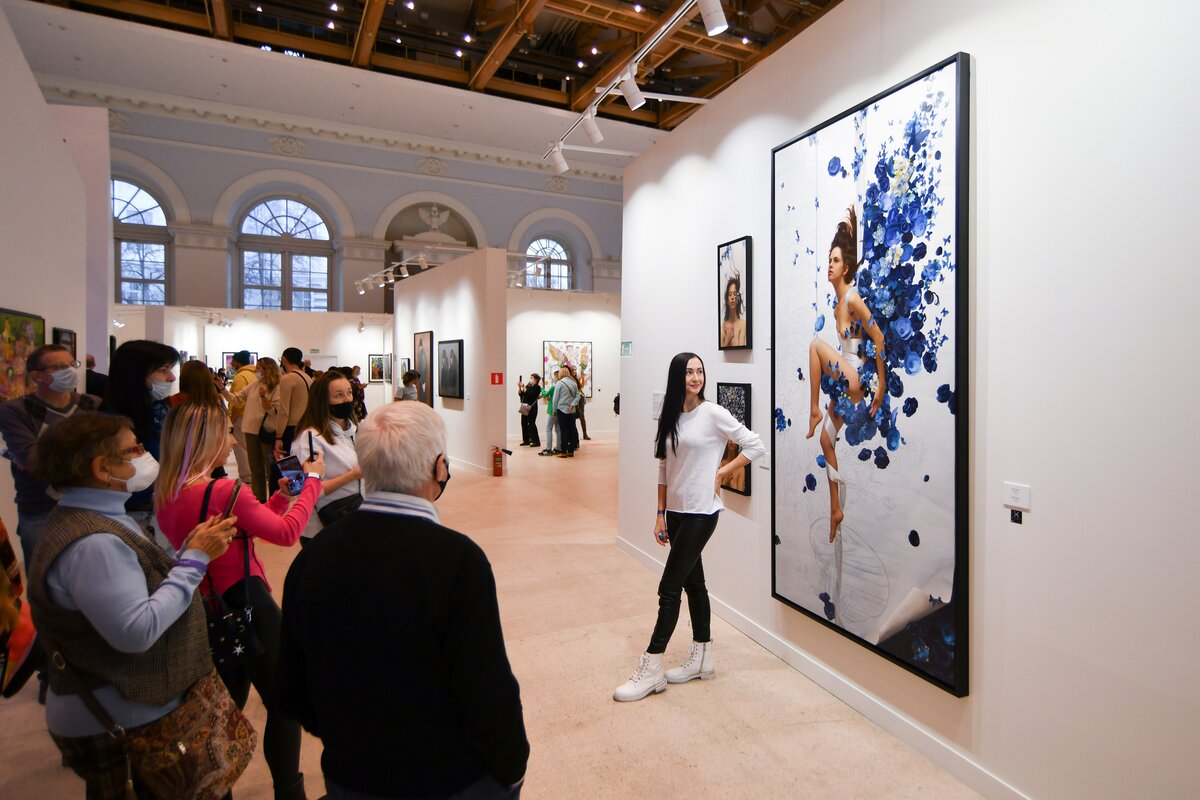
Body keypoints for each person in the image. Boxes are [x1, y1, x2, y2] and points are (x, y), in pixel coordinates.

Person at [278, 402, 529, 799]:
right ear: (440, 468)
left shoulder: (312, 557)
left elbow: (293, 687)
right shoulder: (457, 561)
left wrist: (352, 743)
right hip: (449, 780)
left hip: (350, 774)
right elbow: (487, 689)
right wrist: (512, 770)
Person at [24, 411, 249, 797]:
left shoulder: (94, 518)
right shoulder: (94, 544)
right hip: (128, 717)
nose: (147, 455)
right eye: (135, 449)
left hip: (129, 707)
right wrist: (194, 561)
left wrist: (186, 552)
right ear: (102, 468)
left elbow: (136, 584)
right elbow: (135, 631)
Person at [155, 402, 324, 800]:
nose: (233, 441)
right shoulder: (223, 491)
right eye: (227, 434)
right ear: (207, 441)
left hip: (208, 608)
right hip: (250, 604)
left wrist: (281, 497)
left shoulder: (168, 493)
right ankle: (290, 792)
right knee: (283, 702)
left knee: (222, 707)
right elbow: (286, 534)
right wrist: (313, 483)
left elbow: (252, 524)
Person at [613, 352, 764, 702]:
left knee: (669, 588)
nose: (696, 377)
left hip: (701, 513)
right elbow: (664, 467)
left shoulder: (713, 413)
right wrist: (660, 513)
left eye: (700, 371)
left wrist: (722, 472)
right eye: (689, 372)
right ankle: (703, 658)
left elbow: (755, 445)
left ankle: (652, 667)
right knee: (695, 586)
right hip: (676, 513)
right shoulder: (670, 415)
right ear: (677, 377)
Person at [805, 208, 886, 543]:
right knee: (826, 441)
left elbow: (878, 337)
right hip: (845, 377)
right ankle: (835, 509)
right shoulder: (838, 304)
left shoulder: (852, 298)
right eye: (829, 260)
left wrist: (880, 386)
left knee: (815, 345)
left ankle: (813, 409)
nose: (830, 265)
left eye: (835, 260)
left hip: (856, 375)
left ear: (846, 268)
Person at [0, 345, 101, 568]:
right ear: (37, 376)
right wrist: (86, 456)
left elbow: (106, 454)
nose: (70, 370)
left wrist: (46, 456)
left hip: (90, 504)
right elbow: (31, 459)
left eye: (72, 364)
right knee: (43, 576)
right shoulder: (16, 410)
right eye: (60, 367)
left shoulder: (91, 404)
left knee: (88, 574)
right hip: (40, 508)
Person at [101, 339, 179, 524]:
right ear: (136, 374)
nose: (172, 378)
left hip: (159, 508)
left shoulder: (158, 411)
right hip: (131, 514)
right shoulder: (113, 424)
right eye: (163, 370)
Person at [291, 371, 362, 545]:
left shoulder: (352, 430)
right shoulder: (309, 439)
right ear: (323, 401)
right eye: (339, 395)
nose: (347, 399)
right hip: (322, 528)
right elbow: (305, 492)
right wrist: (353, 475)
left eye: (349, 392)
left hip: (352, 521)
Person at [234, 357, 282, 502]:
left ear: (267, 369)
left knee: (270, 468)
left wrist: (263, 397)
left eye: (259, 368)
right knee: (255, 467)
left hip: (266, 431)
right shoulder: (255, 384)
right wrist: (222, 389)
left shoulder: (277, 386)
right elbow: (236, 398)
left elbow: (273, 411)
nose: (256, 371)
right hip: (250, 429)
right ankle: (258, 499)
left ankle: (274, 499)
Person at [275, 347, 313, 457]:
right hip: (306, 425)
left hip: (292, 428)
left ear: (284, 359)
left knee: (290, 462)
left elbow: (284, 410)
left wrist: (278, 436)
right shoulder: (307, 377)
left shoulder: (288, 378)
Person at [227, 350, 257, 485]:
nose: (231, 363)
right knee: (251, 447)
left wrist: (231, 420)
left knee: (241, 448)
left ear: (238, 362)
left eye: (233, 361)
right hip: (254, 416)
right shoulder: (255, 375)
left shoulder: (240, 377)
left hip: (241, 417)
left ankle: (246, 476)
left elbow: (237, 402)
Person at [553, 367, 580, 458]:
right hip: (572, 410)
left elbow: (555, 399)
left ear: (560, 373)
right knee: (571, 430)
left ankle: (563, 451)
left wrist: (554, 410)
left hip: (561, 410)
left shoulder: (559, 383)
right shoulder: (573, 383)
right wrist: (573, 404)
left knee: (563, 430)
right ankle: (571, 451)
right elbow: (578, 396)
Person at [720, 274, 747, 347]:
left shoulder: (743, 324)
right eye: (730, 294)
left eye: (735, 294)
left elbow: (741, 350)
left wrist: (731, 337)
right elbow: (721, 350)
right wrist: (727, 339)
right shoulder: (723, 327)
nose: (732, 297)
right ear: (727, 300)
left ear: (738, 298)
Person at [517, 373, 541, 448]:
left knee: (531, 423)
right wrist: (520, 388)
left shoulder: (537, 387)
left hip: (532, 407)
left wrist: (524, 388)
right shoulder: (528, 386)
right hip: (525, 406)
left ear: (536, 380)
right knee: (523, 423)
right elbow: (522, 395)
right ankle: (526, 440)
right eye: (530, 377)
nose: (530, 379)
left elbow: (531, 395)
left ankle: (536, 441)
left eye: (532, 378)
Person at [569, 365, 591, 441]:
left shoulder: (576, 378)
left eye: (575, 370)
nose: (574, 371)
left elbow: (581, 386)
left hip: (580, 398)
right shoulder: (569, 379)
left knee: (582, 416)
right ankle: (574, 437)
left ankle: (585, 434)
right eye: (573, 370)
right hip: (573, 399)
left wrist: (582, 377)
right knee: (573, 417)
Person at [537, 375, 557, 456]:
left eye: (554, 376)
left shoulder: (554, 387)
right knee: (558, 430)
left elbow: (545, 394)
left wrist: (542, 387)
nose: (553, 378)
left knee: (549, 429)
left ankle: (548, 449)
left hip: (552, 410)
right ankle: (558, 448)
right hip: (559, 410)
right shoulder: (560, 386)